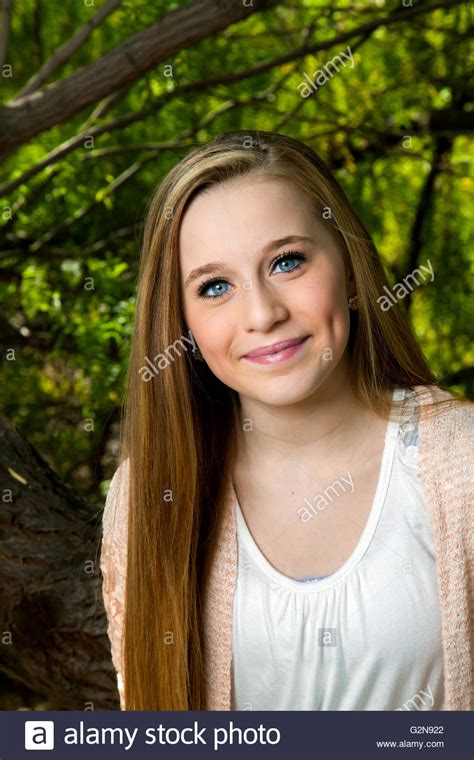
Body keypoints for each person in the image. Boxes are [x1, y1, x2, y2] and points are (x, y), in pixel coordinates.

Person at [100, 130, 473, 711]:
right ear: (181, 322)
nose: (262, 313)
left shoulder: (463, 460)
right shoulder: (146, 494)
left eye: (287, 261)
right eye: (215, 286)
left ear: (350, 268)